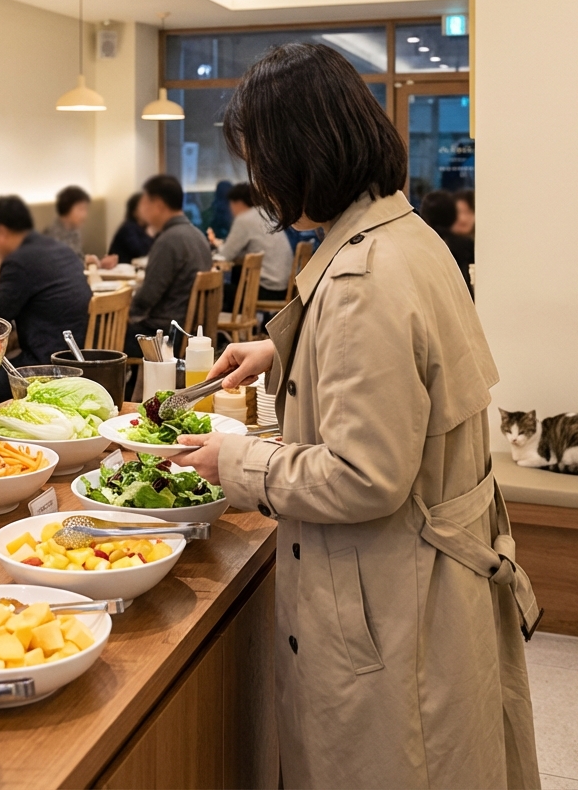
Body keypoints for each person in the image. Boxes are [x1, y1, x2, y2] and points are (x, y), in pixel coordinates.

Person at [170, 43, 539, 790]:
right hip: (437, 569)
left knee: (398, 758)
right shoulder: (405, 235)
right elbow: (402, 370)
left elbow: (365, 477)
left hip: (397, 596)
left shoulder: (363, 277)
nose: (259, 182)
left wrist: (233, 462)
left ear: (300, 154)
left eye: (260, 160)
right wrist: (280, 349)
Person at [0, 195, 91, 405]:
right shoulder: (59, 249)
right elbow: (41, 296)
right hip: (76, 357)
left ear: (2, 232)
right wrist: (3, 292)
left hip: (45, 365)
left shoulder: (18, 260)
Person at [125, 175, 212, 348]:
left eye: (145, 204)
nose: (143, 210)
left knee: (99, 334)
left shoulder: (169, 240)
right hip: (190, 330)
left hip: (165, 334)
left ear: (158, 205)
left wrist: (124, 311)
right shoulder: (197, 235)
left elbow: (147, 297)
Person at [209, 182, 293, 304]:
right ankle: (246, 322)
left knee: (217, 291)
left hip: (268, 289)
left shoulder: (244, 219)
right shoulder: (265, 214)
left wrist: (211, 252)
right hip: (284, 287)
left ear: (237, 203)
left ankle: (228, 322)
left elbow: (226, 255)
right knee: (237, 272)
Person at [421, 189, 474, 292]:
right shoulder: (466, 247)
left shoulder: (419, 246)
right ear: (453, 216)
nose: (463, 218)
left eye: (468, 212)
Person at [44, 185, 97, 263]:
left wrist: (98, 263)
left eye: (86, 209)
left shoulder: (74, 231)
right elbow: (63, 265)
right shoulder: (52, 236)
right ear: (66, 208)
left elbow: (78, 258)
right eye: (80, 209)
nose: (84, 215)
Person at [106, 192, 154, 265]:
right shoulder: (128, 228)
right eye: (144, 206)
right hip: (120, 272)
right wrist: (150, 235)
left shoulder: (146, 228)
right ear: (134, 211)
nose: (148, 210)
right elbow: (140, 252)